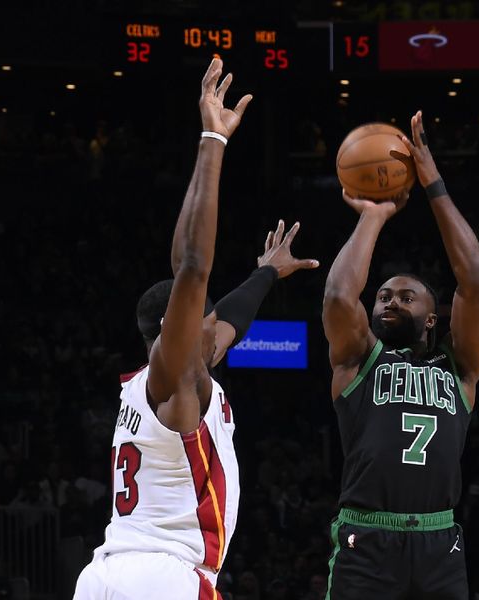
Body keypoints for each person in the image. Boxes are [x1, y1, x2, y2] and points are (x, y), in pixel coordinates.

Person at [73, 58, 318, 600]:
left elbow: (229, 316)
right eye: (200, 319)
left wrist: (266, 273)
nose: (216, 328)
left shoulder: (171, 376)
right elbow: (192, 265)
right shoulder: (173, 372)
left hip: (111, 573)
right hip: (162, 578)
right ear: (172, 330)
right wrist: (213, 140)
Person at [322, 110, 479, 599]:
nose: (390, 300)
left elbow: (474, 280)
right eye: (383, 296)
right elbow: (337, 297)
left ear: (433, 318)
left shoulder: (459, 368)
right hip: (366, 537)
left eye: (406, 296)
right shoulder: (359, 359)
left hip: (439, 541)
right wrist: (373, 217)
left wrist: (433, 182)